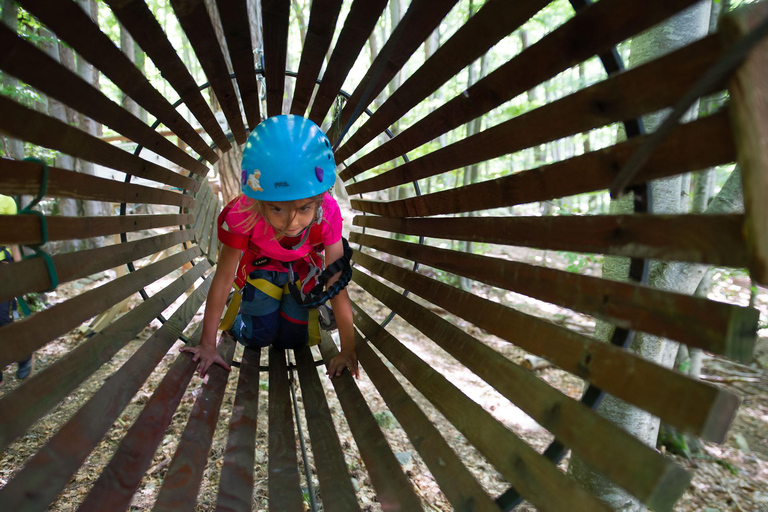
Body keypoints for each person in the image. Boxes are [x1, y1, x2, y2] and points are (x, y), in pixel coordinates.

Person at [182, 115, 358, 379]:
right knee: (259, 335)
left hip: (300, 270)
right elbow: (224, 275)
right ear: (259, 201)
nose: (291, 222)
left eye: (304, 208)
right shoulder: (246, 211)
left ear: (319, 200)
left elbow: (336, 282)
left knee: (293, 338)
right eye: (276, 208)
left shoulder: (328, 212)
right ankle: (245, 314)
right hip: (260, 270)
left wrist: (347, 350)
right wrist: (208, 344)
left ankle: (278, 311)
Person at [0, 193, 32, 385]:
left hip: (3, 266)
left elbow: (14, 241)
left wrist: (20, 272)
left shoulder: (6, 201)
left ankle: (24, 354)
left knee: (3, 319)